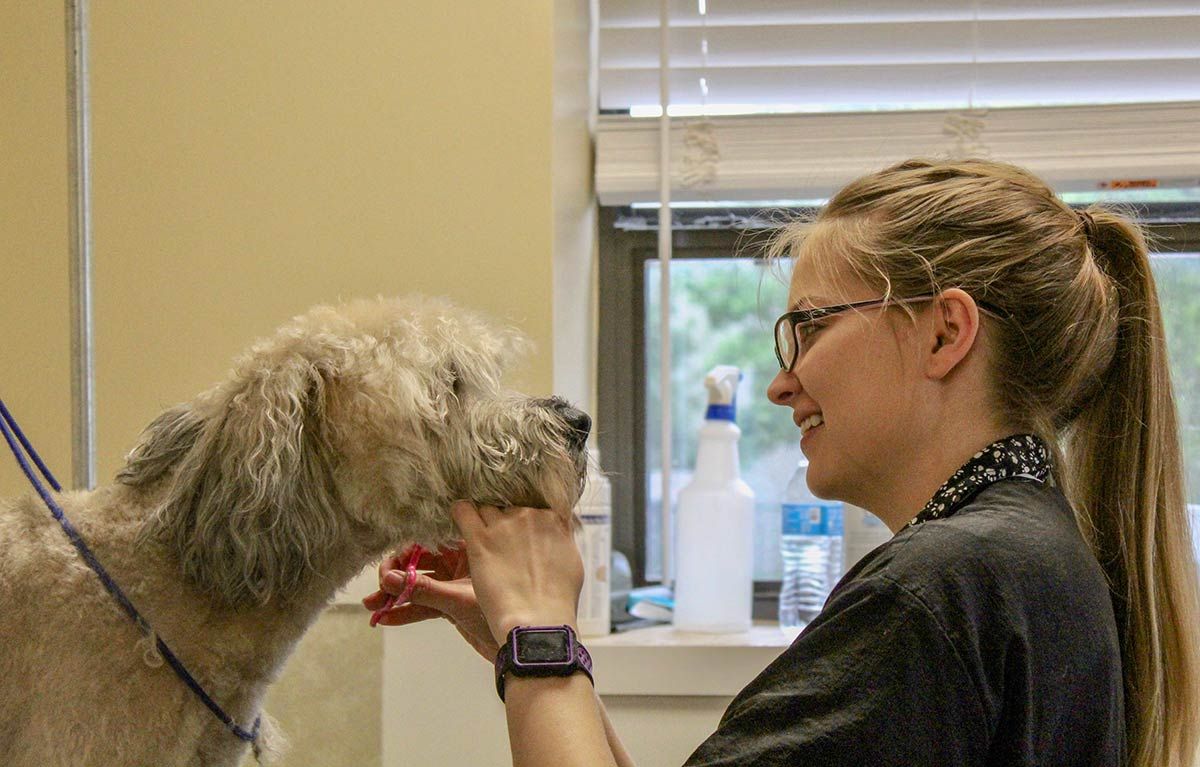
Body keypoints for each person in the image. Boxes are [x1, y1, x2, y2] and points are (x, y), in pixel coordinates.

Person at [363, 158, 1200, 767]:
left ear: (945, 332)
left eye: (809, 327)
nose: (780, 381)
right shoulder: (1031, 558)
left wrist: (538, 635)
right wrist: (533, 647)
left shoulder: (940, 587)